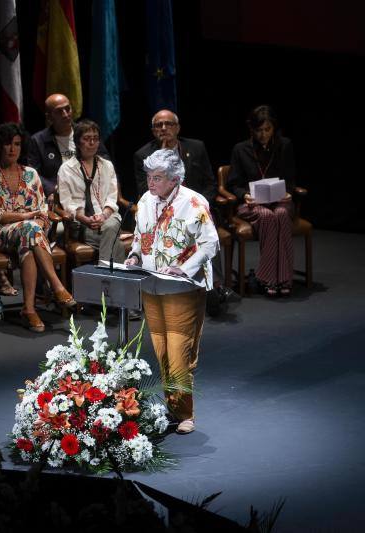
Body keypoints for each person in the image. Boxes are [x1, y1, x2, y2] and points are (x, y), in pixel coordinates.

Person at [125, 149, 219, 434]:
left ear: (174, 179)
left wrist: (184, 268)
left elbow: (210, 244)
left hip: (183, 288)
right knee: (162, 351)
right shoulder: (145, 201)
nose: (150, 183)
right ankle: (173, 407)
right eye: (149, 177)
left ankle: (185, 412)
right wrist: (134, 257)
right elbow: (141, 237)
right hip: (152, 285)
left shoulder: (193, 202)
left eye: (157, 178)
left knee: (180, 351)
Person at [0, 122, 77, 333]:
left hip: (30, 235)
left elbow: (43, 210)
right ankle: (57, 286)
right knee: (30, 230)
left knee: (29, 241)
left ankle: (29, 309)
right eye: (7, 144)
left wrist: (37, 223)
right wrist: (26, 217)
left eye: (17, 144)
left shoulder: (31, 174)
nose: (12, 149)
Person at [133, 109, 229, 314]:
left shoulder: (195, 147)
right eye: (158, 125)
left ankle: (214, 287)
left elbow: (210, 183)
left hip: (193, 208)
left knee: (205, 231)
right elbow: (146, 191)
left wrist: (202, 206)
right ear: (152, 130)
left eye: (168, 124)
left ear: (177, 128)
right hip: (160, 210)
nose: (164, 128)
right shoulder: (143, 155)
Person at [226, 105, 297, 297]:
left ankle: (283, 278)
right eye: (259, 130)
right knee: (267, 216)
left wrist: (288, 191)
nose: (263, 134)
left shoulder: (285, 145)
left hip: (279, 201)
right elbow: (233, 184)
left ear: (274, 128)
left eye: (267, 130)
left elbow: (290, 179)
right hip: (252, 204)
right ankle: (269, 278)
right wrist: (244, 195)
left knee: (280, 214)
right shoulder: (241, 149)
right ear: (252, 129)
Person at [56, 119, 125, 262]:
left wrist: (103, 216)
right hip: (81, 224)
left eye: (95, 139)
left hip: (108, 218)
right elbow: (67, 202)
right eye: (87, 139)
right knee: (116, 244)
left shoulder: (107, 165)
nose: (92, 143)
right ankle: (112, 279)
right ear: (77, 142)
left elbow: (112, 197)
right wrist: (85, 219)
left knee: (111, 225)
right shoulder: (66, 169)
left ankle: (103, 273)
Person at [28, 93, 111, 199]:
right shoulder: (38, 141)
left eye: (68, 109)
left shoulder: (87, 133)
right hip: (58, 195)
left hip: (92, 191)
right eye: (59, 111)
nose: (66, 114)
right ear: (49, 117)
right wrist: (53, 189)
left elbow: (105, 161)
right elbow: (33, 173)